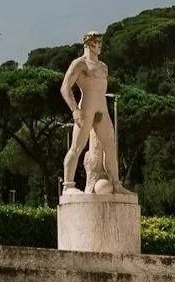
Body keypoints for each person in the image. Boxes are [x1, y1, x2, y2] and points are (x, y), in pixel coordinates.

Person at [61, 33, 129, 195]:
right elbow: (65, 87)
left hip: (102, 109)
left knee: (110, 146)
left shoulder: (103, 67)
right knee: (77, 147)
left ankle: (116, 183)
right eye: (97, 42)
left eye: (101, 42)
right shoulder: (80, 64)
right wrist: (75, 110)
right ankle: (68, 186)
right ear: (88, 43)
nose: (100, 45)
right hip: (86, 109)